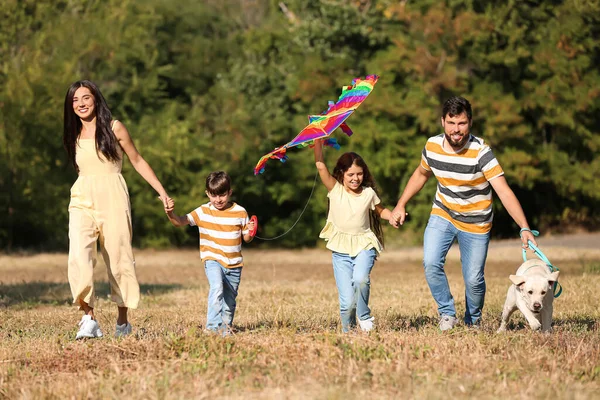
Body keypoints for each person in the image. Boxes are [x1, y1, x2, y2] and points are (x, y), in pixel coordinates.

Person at [391, 96, 538, 331]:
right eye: (451, 123)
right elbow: (421, 174)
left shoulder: (482, 152)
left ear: (470, 122)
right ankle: (447, 313)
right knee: (430, 263)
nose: (456, 130)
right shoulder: (432, 146)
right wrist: (400, 204)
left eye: (461, 123)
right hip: (444, 212)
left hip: (476, 222)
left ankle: (473, 321)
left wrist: (524, 227)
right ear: (442, 122)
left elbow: (504, 191)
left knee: (473, 279)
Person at [63, 80, 172, 339]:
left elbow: (136, 160)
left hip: (113, 196)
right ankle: (88, 318)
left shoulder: (115, 127)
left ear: (96, 99)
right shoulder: (73, 133)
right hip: (81, 198)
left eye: (85, 98)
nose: (81, 104)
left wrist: (162, 191)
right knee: (79, 255)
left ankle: (122, 322)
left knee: (119, 258)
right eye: (75, 100)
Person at [313, 139, 397, 333]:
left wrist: (391, 216)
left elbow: (380, 210)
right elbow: (320, 166)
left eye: (360, 174)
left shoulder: (368, 193)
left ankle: (365, 315)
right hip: (340, 251)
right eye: (351, 174)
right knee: (346, 303)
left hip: (364, 245)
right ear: (342, 174)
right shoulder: (336, 190)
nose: (355, 178)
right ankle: (348, 334)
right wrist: (317, 140)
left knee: (361, 279)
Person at [164, 171, 254, 335]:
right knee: (217, 287)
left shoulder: (240, 212)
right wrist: (170, 213)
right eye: (213, 195)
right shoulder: (203, 211)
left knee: (229, 300)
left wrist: (251, 231)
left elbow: (246, 238)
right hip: (212, 259)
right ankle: (212, 327)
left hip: (234, 264)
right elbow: (180, 222)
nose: (218, 200)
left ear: (230, 192)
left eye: (222, 195)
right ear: (207, 193)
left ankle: (225, 329)